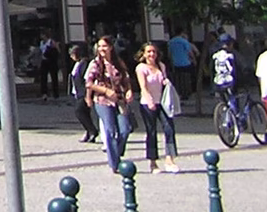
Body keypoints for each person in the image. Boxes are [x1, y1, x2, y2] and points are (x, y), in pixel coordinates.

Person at [84, 36, 132, 173]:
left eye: (104, 46)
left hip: (119, 100)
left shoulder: (118, 62)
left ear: (111, 47)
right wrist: (104, 91)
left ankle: (117, 152)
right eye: (99, 46)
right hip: (102, 101)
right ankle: (114, 164)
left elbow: (126, 79)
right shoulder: (95, 64)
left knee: (125, 129)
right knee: (110, 131)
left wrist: (129, 91)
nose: (102, 49)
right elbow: (89, 83)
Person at [134, 42, 180, 172]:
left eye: (153, 51)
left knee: (169, 128)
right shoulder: (141, 68)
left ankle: (170, 159)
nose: (151, 54)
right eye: (148, 52)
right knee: (152, 131)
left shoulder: (161, 66)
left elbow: (163, 80)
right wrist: (149, 101)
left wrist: (166, 82)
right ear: (143, 54)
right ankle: (153, 162)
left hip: (162, 102)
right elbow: (143, 87)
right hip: (147, 103)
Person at [167, 29, 200, 112]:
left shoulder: (171, 42)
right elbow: (190, 52)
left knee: (178, 79)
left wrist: (171, 62)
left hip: (176, 63)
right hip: (186, 62)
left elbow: (169, 54)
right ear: (181, 33)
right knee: (187, 78)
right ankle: (186, 93)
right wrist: (194, 60)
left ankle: (180, 93)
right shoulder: (184, 41)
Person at [70, 44, 97, 142]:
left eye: (72, 54)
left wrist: (87, 94)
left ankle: (92, 130)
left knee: (79, 111)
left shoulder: (85, 64)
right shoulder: (77, 64)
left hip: (83, 92)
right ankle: (88, 132)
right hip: (77, 92)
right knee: (85, 113)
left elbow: (86, 79)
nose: (71, 56)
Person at [210, 36, 239, 113]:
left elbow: (212, 69)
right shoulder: (231, 54)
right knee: (233, 98)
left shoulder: (215, 55)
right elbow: (237, 67)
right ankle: (235, 114)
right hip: (230, 82)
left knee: (223, 100)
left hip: (218, 82)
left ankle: (224, 111)